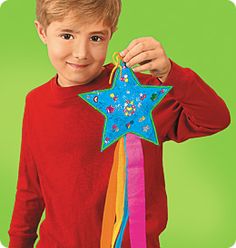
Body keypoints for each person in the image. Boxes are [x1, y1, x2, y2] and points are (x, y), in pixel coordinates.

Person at [7, 0, 230, 247]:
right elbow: (30, 188)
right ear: (42, 31)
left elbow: (214, 119)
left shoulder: (139, 95)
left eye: (96, 38)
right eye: (67, 35)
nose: (81, 53)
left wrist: (170, 72)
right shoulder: (36, 101)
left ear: (111, 34)